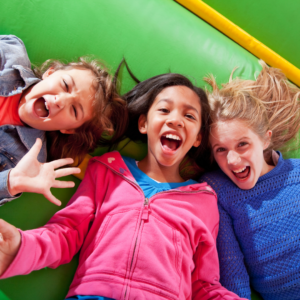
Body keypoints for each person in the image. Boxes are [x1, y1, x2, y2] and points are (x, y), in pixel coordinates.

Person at [0, 73, 246, 300]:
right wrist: (20, 248)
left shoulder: (203, 201)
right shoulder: (105, 171)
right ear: (143, 124)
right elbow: (67, 233)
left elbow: (204, 284)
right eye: (164, 110)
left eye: (189, 116)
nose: (176, 121)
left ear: (198, 139)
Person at [200, 61, 300, 300]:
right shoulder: (219, 189)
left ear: (265, 140)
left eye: (242, 144)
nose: (233, 160)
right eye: (221, 150)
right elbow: (232, 268)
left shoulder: (296, 174)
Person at [0, 35, 127, 206]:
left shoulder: (28, 160)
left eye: (74, 110)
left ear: (69, 129)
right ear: (50, 73)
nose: (60, 101)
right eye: (65, 85)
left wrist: (11, 182)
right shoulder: (10, 54)